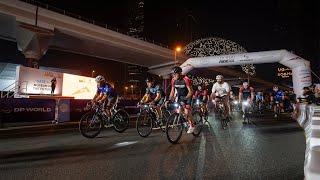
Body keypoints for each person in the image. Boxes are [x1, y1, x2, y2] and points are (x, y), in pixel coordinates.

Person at [168, 66, 195, 133]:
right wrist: (169, 99)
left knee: (187, 112)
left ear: (180, 73)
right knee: (179, 110)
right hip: (180, 96)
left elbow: (191, 91)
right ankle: (185, 120)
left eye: (175, 74)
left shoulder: (186, 79)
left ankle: (192, 125)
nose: (174, 76)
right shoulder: (173, 80)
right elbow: (172, 91)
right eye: (173, 74)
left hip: (188, 96)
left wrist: (185, 100)